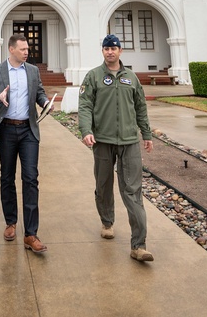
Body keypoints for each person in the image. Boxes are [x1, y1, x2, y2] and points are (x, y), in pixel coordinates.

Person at [78, 34, 155, 262]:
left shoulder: (131, 78)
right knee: (103, 185)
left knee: (132, 191)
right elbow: (85, 106)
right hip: (102, 140)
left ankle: (138, 245)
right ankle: (107, 222)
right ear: (102, 52)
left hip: (129, 141)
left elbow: (140, 107)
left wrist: (146, 134)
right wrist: (86, 130)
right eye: (106, 48)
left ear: (120, 51)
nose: (110, 52)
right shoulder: (93, 77)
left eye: (113, 48)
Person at [0, 34, 51, 253]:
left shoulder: (32, 71)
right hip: (6, 130)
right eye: (22, 49)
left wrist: (46, 102)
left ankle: (31, 234)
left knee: (30, 178)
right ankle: (11, 222)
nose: (26, 52)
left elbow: (38, 92)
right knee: (7, 176)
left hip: (28, 129)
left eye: (27, 49)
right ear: (11, 50)